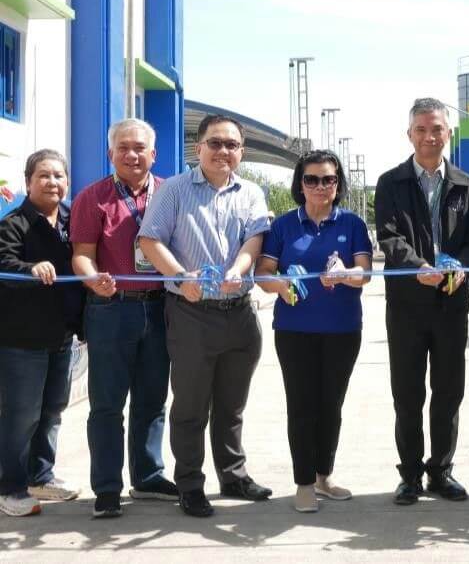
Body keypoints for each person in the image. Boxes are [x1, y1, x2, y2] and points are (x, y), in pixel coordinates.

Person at [138, 114, 271, 518]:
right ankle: (190, 484)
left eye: (231, 145)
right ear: (199, 148)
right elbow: (150, 238)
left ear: (241, 152)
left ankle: (232, 475)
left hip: (240, 315)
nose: (223, 151)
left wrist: (240, 268)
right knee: (192, 407)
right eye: (215, 143)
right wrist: (180, 277)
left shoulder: (251, 192)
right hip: (191, 314)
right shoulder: (174, 190)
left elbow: (254, 239)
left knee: (232, 406)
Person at [374, 97, 469, 505]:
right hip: (406, 306)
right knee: (407, 393)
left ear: (447, 133)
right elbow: (388, 236)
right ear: (409, 135)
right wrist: (418, 265)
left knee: (448, 391)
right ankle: (410, 475)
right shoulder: (391, 182)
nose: (429, 137)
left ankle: (441, 470)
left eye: (436, 129)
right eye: (421, 129)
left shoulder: (466, 185)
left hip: (451, 306)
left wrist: (463, 270)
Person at [256, 150, 372, 513]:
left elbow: (364, 274)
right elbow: (263, 274)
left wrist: (345, 275)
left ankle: (325, 475)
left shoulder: (352, 224)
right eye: (312, 179)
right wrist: (281, 286)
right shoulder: (284, 226)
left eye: (328, 180)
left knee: (331, 406)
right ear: (300, 184)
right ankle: (304, 483)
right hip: (294, 331)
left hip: (342, 330)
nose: (321, 187)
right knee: (302, 406)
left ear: (338, 185)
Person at [70, 119, 176, 518]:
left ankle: (148, 477)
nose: (132, 155)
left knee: (153, 399)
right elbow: (82, 253)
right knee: (107, 405)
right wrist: (91, 277)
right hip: (111, 309)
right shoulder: (92, 198)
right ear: (110, 153)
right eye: (123, 148)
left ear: (154, 154)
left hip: (161, 308)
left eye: (139, 148)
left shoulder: (170, 193)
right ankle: (107, 488)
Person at [0, 150, 83, 517]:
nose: (53, 183)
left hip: (63, 336)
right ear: (28, 181)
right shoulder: (12, 223)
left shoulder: (71, 219)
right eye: (44, 176)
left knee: (52, 410)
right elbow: (5, 263)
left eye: (59, 176)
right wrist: (31, 267)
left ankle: (40, 475)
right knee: (21, 415)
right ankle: (11, 486)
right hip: (22, 339)